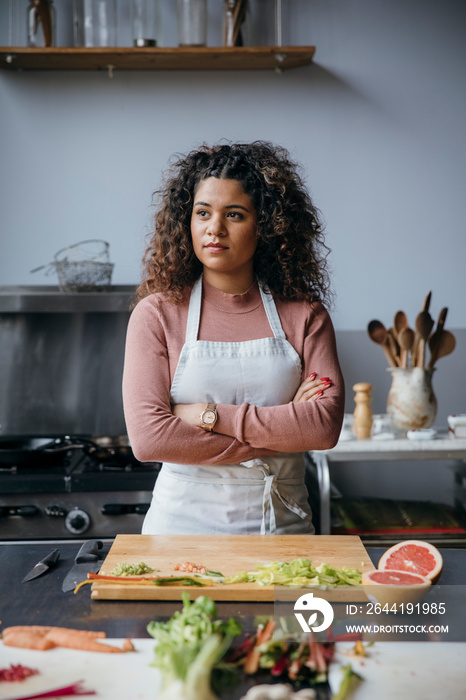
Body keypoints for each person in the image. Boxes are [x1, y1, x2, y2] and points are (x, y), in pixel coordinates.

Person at [122, 141, 344, 536]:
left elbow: (322, 428)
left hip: (283, 533)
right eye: (202, 213)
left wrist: (207, 416)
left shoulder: (305, 314)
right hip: (180, 535)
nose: (215, 229)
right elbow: (150, 439)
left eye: (235, 215)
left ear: (267, 223)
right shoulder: (156, 315)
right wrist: (285, 430)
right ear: (185, 222)